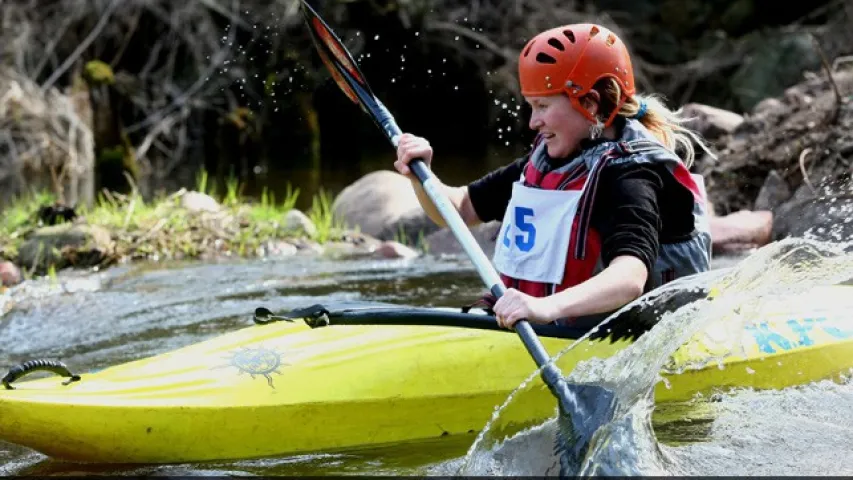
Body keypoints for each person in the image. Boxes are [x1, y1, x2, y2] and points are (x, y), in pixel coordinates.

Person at [394, 23, 714, 329]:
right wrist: (422, 176)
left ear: (589, 103)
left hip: (636, 334)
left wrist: (544, 308)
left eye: (543, 106)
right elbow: (461, 208)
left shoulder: (631, 175)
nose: (533, 122)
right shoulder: (551, 161)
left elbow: (629, 278)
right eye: (531, 106)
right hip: (554, 326)